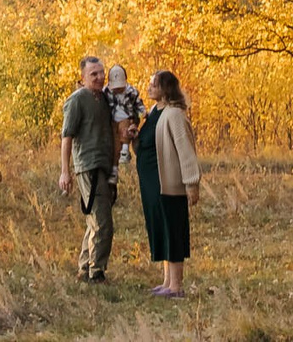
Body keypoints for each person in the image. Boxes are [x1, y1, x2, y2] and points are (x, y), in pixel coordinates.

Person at [135, 69, 201, 297]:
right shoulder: (154, 112)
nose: (149, 87)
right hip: (152, 182)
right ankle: (166, 281)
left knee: (172, 230)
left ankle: (176, 286)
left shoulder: (174, 114)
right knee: (160, 228)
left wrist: (191, 182)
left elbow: (186, 149)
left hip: (169, 182)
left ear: (165, 89)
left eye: (154, 84)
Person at [57, 54, 120, 281]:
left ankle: (85, 268)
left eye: (102, 73)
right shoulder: (77, 100)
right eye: (94, 74)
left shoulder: (104, 99)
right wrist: (65, 171)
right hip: (88, 166)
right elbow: (67, 137)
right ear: (83, 77)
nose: (100, 77)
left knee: (95, 219)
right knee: (103, 221)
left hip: (104, 166)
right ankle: (97, 271)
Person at [105, 64, 145, 163]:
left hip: (127, 118)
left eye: (120, 87)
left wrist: (142, 112)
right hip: (112, 120)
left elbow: (138, 104)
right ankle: (115, 156)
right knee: (114, 137)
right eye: (115, 88)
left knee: (125, 131)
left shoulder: (131, 92)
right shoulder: (106, 92)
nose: (117, 90)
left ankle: (125, 150)